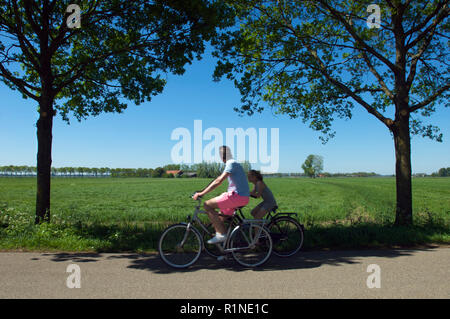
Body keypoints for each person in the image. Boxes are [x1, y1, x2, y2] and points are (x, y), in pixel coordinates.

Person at [193, 146, 250, 244]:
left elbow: (218, 181)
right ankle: (226, 248)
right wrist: (202, 190)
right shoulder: (233, 163)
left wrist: (201, 193)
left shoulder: (231, 163)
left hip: (237, 197)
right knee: (220, 219)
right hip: (241, 197)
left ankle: (221, 235)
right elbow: (218, 179)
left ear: (222, 156)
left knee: (207, 205)